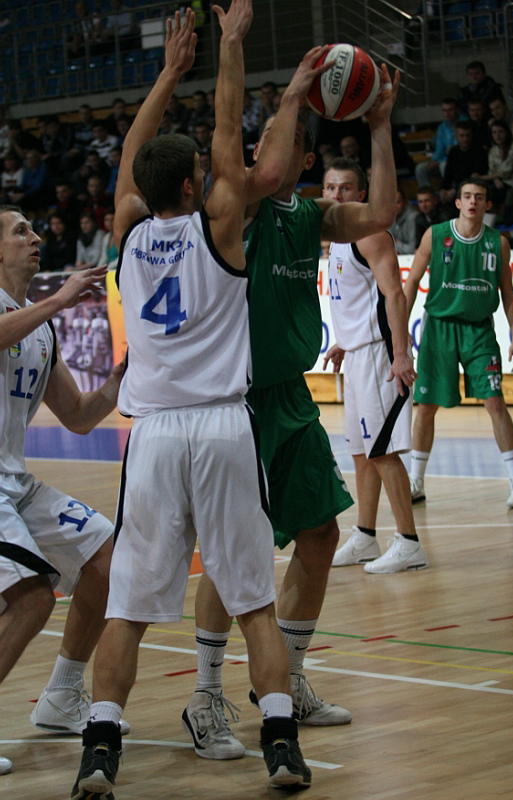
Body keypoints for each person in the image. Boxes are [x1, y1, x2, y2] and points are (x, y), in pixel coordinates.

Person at [69, 5, 313, 796]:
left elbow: (131, 159)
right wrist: (228, 47)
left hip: (154, 435)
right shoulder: (221, 226)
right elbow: (227, 132)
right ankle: (281, 744)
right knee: (253, 603)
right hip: (221, 428)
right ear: (191, 184)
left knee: (129, 610)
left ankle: (100, 749)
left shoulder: (128, 234)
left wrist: (167, 71)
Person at [184, 53, 400, 757]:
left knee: (319, 536)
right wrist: (293, 96)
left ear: (306, 158)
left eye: (282, 145)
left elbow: (383, 212)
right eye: (262, 147)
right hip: (236, 401)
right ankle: (204, 696)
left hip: (293, 399)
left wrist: (379, 126)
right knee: (232, 552)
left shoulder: (311, 217)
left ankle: (289, 677)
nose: (265, 155)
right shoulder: (236, 208)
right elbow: (258, 168)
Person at [0, 205, 127, 777]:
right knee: (32, 599)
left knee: (107, 558)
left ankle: (60, 694)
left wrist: (118, 381)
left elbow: (76, 416)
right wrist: (57, 301)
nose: (35, 237)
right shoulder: (33, 314)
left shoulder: (40, 326)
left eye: (33, 228)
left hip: (15, 482)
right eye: (19, 231)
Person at [322, 158, 427, 573]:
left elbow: (394, 295)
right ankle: (365, 536)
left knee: (382, 451)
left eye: (345, 188)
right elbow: (360, 300)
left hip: (380, 356)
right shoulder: (335, 240)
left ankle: (409, 542)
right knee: (361, 452)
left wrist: (400, 353)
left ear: (361, 194)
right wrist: (344, 342)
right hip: (357, 354)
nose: (336, 196)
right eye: (330, 188)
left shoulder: (370, 235)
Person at [404, 180, 513, 509]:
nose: (473, 202)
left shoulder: (497, 243)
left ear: (487, 205)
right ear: (458, 203)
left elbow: (508, 292)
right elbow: (412, 280)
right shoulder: (435, 235)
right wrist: (400, 328)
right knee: (426, 406)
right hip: (439, 328)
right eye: (468, 196)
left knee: (495, 402)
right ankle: (416, 481)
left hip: (479, 330)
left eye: (480, 198)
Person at [415, 98, 464, 189]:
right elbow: (440, 149)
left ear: (457, 110)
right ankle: (428, 194)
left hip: (459, 161)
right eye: (444, 110)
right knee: (420, 168)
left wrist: (439, 162)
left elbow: (457, 150)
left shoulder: (464, 122)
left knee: (444, 165)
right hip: (443, 160)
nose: (447, 113)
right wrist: (434, 161)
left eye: (450, 110)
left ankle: (449, 192)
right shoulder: (442, 127)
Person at [440, 120, 488, 210]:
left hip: (473, 189)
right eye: (462, 136)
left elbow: (474, 177)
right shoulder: (453, 152)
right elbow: (448, 173)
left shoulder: (479, 151)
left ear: (472, 135)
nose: (465, 139)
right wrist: (444, 189)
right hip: (456, 188)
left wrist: (455, 190)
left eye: (467, 135)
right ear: (456, 136)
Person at [389, 188, 418, 254]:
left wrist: (397, 244)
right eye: (391, 202)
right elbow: (387, 245)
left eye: (398, 202)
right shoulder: (388, 217)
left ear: (405, 203)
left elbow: (413, 249)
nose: (394, 206)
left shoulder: (413, 218)